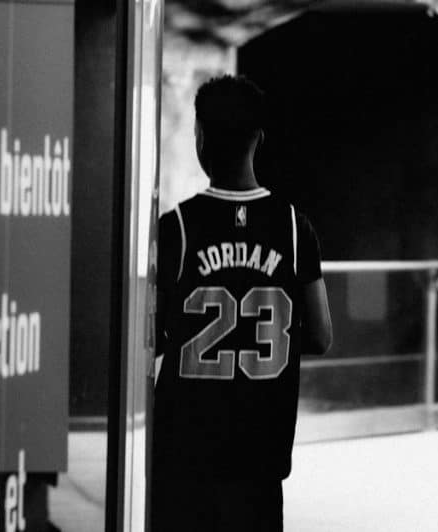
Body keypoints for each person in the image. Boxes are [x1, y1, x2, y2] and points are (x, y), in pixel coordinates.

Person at [152, 74, 333, 532]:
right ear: (259, 139)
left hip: (186, 457)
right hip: (260, 457)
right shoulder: (295, 228)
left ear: (200, 137)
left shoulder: (176, 228)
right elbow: (321, 335)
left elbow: (148, 339)